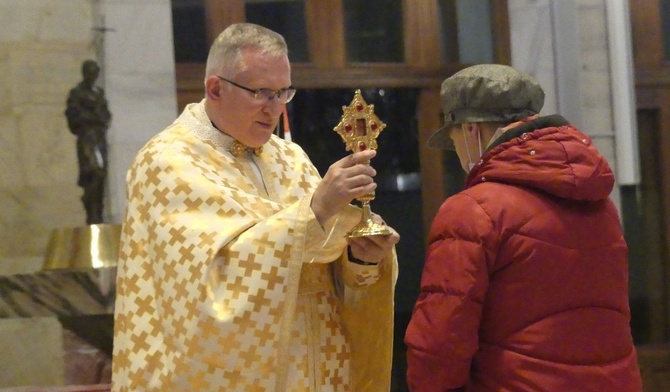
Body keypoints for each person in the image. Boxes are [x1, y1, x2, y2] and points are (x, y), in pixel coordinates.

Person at [112, 23, 399, 391]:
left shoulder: (290, 158)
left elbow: (320, 265)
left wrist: (362, 259)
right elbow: (208, 290)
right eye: (262, 93)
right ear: (215, 88)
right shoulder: (167, 162)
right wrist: (315, 210)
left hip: (316, 372)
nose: (275, 110)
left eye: (283, 94)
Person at [404, 64, 642, 391]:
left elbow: (439, 342)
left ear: (471, 129)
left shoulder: (472, 210)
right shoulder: (600, 204)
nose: (458, 153)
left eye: (454, 138)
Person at [65, 59, 111, 225]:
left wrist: (100, 118)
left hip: (99, 138)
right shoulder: (77, 93)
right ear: (85, 73)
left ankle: (98, 212)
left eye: (95, 73)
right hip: (87, 138)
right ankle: (91, 212)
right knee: (92, 172)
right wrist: (92, 117)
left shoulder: (99, 93)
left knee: (101, 175)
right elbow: (73, 117)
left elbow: (106, 116)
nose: (93, 76)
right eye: (90, 73)